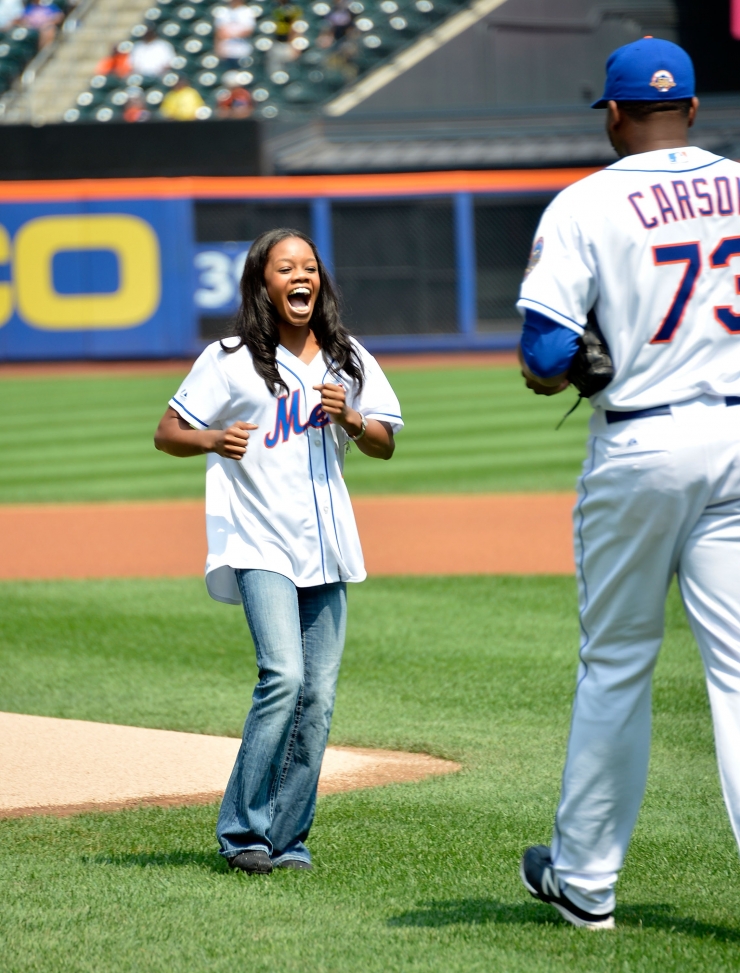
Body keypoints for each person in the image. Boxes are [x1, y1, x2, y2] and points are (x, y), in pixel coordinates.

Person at [517, 37, 740, 930]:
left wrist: (566, 368)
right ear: (692, 108)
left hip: (645, 441)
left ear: (613, 114)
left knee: (617, 665)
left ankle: (584, 879)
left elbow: (545, 352)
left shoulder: (587, 201)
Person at [153, 229, 402, 873]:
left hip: (328, 544)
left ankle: (287, 840)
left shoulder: (347, 356)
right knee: (284, 676)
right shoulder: (229, 358)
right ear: (262, 283)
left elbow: (384, 442)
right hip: (258, 539)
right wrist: (212, 440)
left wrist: (352, 419)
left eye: (310, 268)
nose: (301, 277)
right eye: (286, 268)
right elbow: (167, 431)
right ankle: (242, 832)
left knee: (317, 698)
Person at [213, 0, 255, 66]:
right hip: (226, 51)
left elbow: (248, 31)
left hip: (242, 51)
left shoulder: (246, 11)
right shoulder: (223, 11)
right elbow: (218, 32)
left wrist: (231, 35)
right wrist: (218, 49)